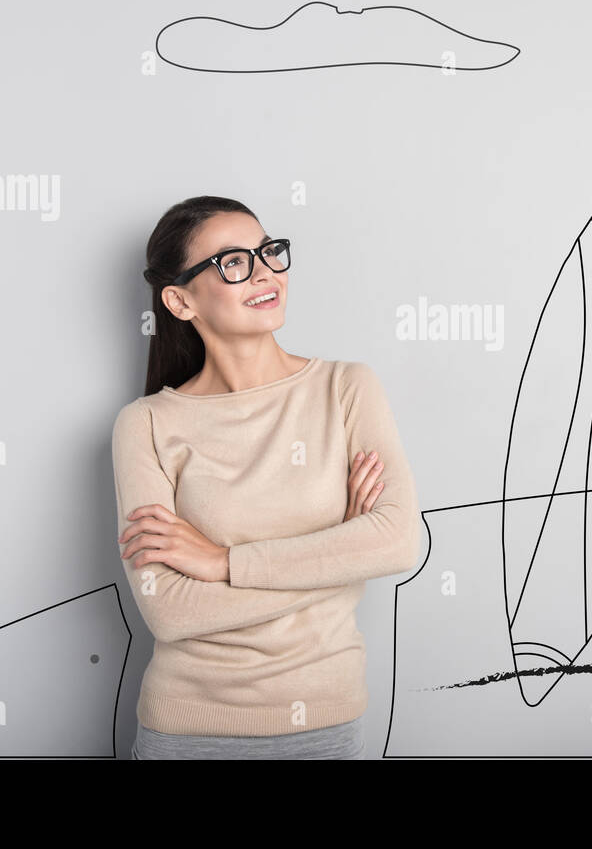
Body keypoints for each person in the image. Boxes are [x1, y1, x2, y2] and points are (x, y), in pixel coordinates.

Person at [111, 195, 421, 759]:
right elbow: (171, 611)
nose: (265, 273)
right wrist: (342, 556)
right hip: (187, 729)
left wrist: (221, 563)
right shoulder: (146, 425)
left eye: (268, 252)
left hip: (324, 721)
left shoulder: (347, 388)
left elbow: (399, 542)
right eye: (233, 262)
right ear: (180, 301)